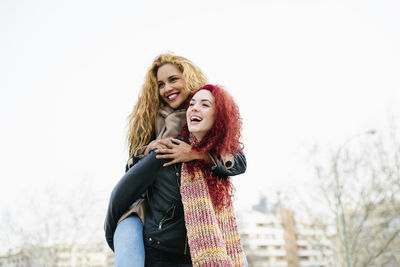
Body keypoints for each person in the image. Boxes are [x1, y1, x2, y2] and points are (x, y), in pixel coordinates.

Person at [107, 53, 247, 267]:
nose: (166, 88)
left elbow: (238, 161)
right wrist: (145, 151)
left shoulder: (209, 121)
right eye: (161, 84)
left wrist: (197, 153)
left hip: (203, 235)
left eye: (173, 79)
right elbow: (129, 178)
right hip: (156, 230)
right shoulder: (151, 123)